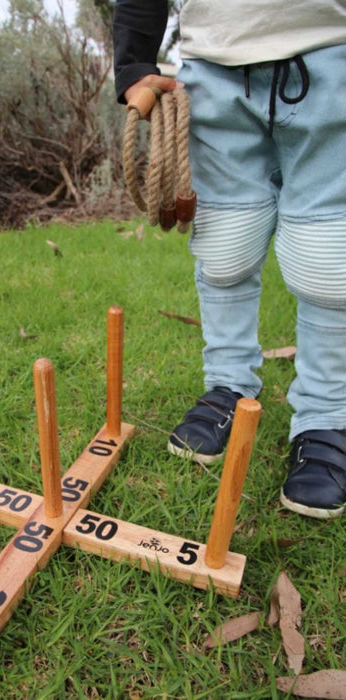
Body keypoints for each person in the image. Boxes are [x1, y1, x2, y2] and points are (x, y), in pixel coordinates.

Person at [113, 0, 346, 519]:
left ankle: (325, 417)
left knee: (328, 255)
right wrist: (133, 64)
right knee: (225, 246)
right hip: (212, 73)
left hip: (333, 60)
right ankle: (228, 385)